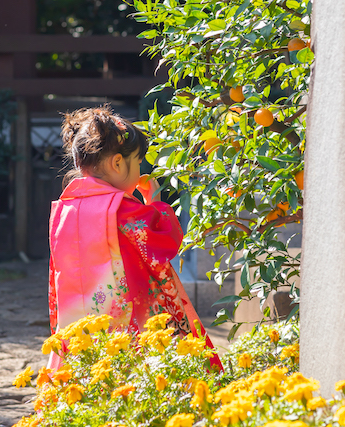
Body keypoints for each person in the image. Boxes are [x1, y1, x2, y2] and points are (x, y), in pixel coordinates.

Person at [47, 105, 222, 371]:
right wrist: (154, 202)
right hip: (125, 321)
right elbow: (162, 242)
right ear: (118, 163)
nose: (141, 169)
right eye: (138, 161)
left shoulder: (64, 208)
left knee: (84, 370)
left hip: (78, 319)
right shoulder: (121, 208)